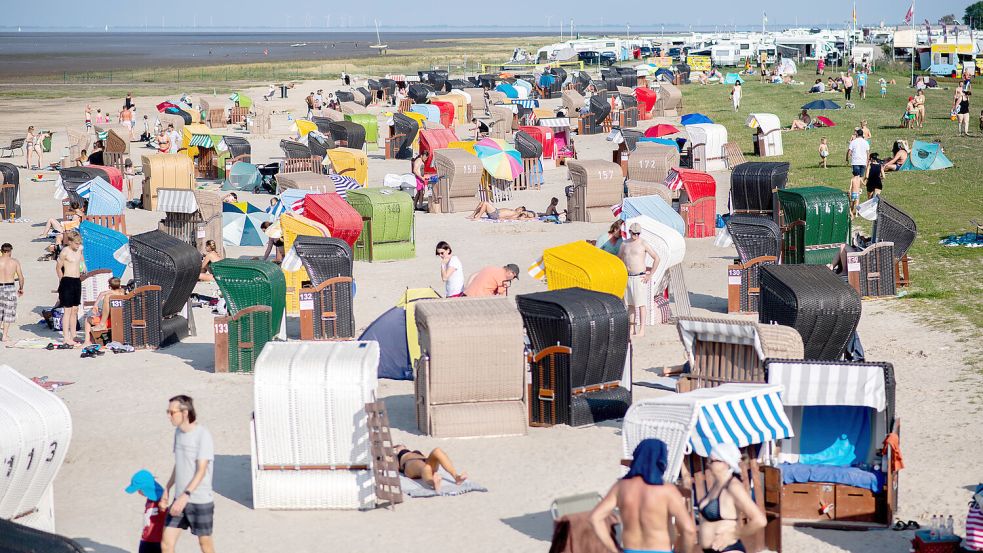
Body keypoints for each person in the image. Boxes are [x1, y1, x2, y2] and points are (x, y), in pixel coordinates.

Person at [589, 439, 696, 553]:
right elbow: (689, 530)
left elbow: (595, 518)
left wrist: (613, 549)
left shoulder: (621, 487)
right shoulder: (666, 490)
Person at [160, 395, 215, 553]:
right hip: (179, 500)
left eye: (172, 412)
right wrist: (168, 487)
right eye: (168, 412)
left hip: (199, 500)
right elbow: (180, 463)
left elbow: (201, 470)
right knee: (166, 544)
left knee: (205, 545)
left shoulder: (202, 435)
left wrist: (185, 496)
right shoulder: (178, 433)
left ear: (185, 413)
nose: (169, 416)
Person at [694, 443, 767, 553]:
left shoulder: (733, 486)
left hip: (727, 549)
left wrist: (733, 535)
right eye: (708, 460)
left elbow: (760, 520)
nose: (708, 464)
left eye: (712, 461)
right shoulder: (717, 485)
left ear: (726, 463)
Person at [618, 222, 660, 338]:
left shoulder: (643, 243)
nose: (635, 235)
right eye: (634, 233)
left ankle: (642, 330)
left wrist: (650, 275)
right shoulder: (624, 244)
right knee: (630, 304)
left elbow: (656, 258)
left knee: (641, 304)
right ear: (630, 232)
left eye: (637, 233)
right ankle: (632, 328)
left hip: (639, 277)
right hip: (628, 276)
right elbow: (619, 258)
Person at [393, 444, 467, 494]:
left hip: (423, 460)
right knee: (425, 467)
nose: (401, 446)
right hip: (410, 464)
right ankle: (433, 483)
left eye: (402, 446)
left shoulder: (413, 452)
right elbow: (392, 464)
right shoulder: (396, 455)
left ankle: (456, 477)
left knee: (437, 451)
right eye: (399, 447)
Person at [125, 469, 167, 553]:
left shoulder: (162, 501)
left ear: (146, 488)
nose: (138, 492)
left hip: (157, 541)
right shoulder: (150, 499)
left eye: (139, 489)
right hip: (146, 538)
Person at [55, 232, 83, 347]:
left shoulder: (80, 249)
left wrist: (83, 266)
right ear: (70, 242)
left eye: (79, 243)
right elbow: (58, 268)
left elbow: (81, 260)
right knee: (67, 310)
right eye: (76, 243)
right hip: (67, 280)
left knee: (75, 309)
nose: (78, 245)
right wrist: (62, 281)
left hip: (77, 280)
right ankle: (66, 337)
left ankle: (74, 335)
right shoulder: (65, 252)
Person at [80, 276, 122, 347]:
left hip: (107, 322)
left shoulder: (109, 295)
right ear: (119, 285)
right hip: (119, 321)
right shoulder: (122, 293)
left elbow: (102, 293)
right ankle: (92, 340)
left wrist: (95, 305)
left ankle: (87, 341)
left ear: (109, 286)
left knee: (88, 319)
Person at [0, 243, 25, 342]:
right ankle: (5, 335)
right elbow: (21, 277)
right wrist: (21, 288)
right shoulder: (14, 262)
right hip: (9, 288)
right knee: (8, 312)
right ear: (10, 251)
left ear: (1, 251)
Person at [467, 201, 536, 221]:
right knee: (482, 202)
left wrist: (531, 217)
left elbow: (519, 218)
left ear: (521, 210)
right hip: (496, 212)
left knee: (485, 203)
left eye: (519, 208)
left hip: (496, 214)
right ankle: (473, 215)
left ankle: (478, 217)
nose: (517, 208)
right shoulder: (514, 212)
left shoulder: (517, 214)